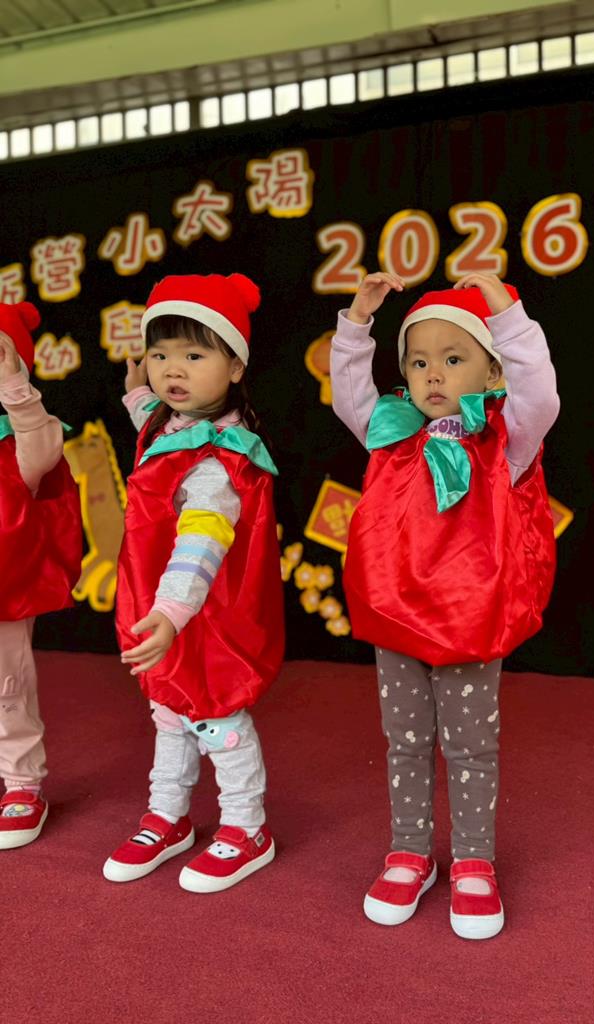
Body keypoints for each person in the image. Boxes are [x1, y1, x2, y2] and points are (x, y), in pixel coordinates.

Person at [331, 271, 559, 939]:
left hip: (468, 625)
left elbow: (540, 391)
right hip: (394, 617)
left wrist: (507, 315)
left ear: (492, 369)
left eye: (454, 359)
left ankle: (473, 861)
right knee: (404, 742)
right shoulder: (390, 431)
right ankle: (409, 851)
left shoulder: (507, 439)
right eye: (418, 361)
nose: (432, 374)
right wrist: (356, 324)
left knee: (469, 748)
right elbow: (349, 392)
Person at [103, 273, 284, 893]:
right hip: (164, 610)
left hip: (205, 615)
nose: (172, 370)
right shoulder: (167, 424)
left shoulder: (218, 460)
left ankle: (246, 827)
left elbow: (200, 541)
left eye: (194, 356)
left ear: (235, 367)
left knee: (217, 721)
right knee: (169, 713)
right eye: (160, 355)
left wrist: (171, 613)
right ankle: (168, 817)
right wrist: (136, 389)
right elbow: (147, 413)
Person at [0, 301, 81, 850]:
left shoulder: (20, 444)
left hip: (5, 593)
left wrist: (15, 386)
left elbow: (43, 442)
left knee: (7, 691)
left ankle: (22, 784)